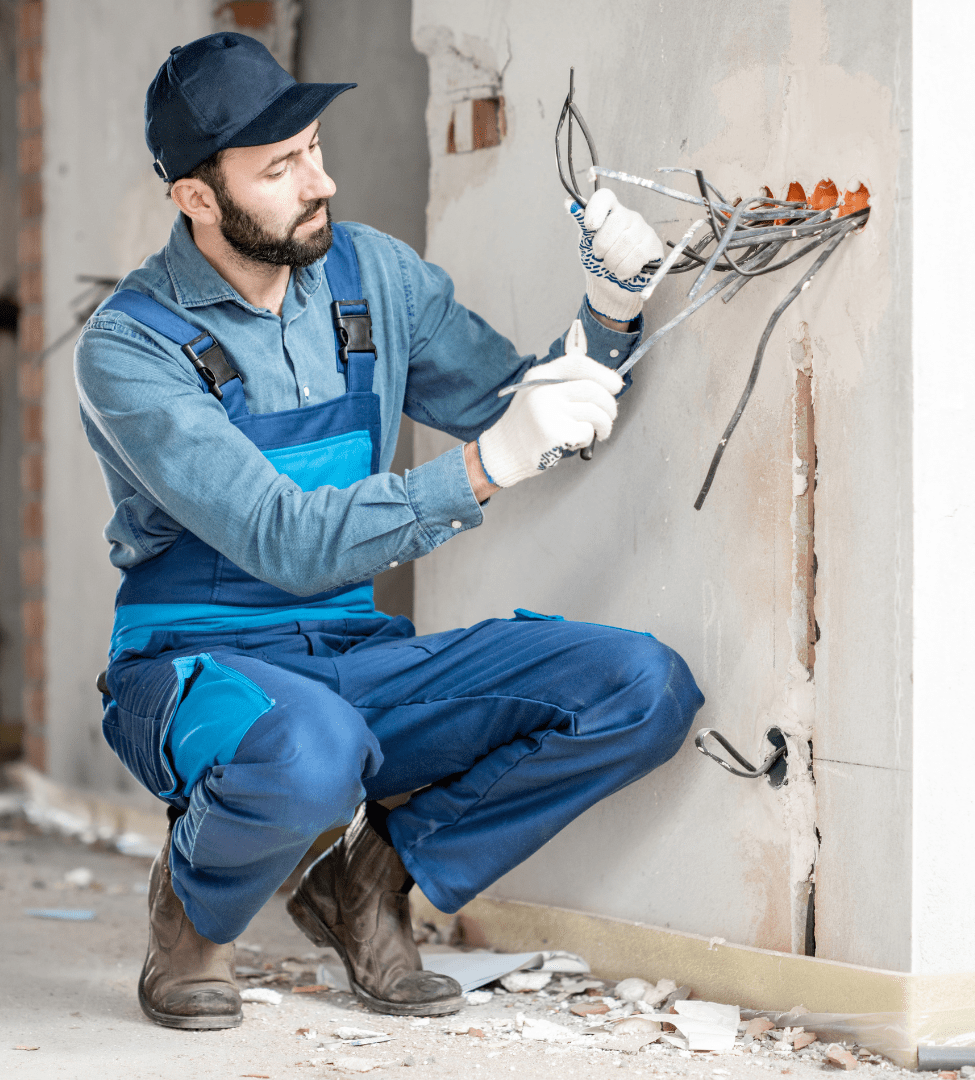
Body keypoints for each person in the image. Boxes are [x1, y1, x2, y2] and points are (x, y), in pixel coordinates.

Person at [74, 32, 704, 1031]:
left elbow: (513, 403)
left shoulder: (375, 276)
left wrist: (613, 307)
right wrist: (486, 464)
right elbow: (282, 536)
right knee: (311, 754)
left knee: (640, 686)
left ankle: (367, 883)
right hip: (196, 667)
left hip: (353, 657)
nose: (318, 181)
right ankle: (191, 920)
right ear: (197, 197)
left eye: (315, 148)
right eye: (280, 167)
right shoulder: (130, 348)